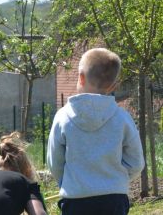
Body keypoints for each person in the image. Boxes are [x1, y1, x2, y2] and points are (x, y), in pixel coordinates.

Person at [47, 48, 145, 215]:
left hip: (76, 198)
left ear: (81, 77)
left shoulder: (62, 117)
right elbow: (136, 163)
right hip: (114, 198)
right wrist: (116, 179)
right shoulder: (122, 118)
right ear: (113, 86)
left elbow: (54, 162)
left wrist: (70, 182)